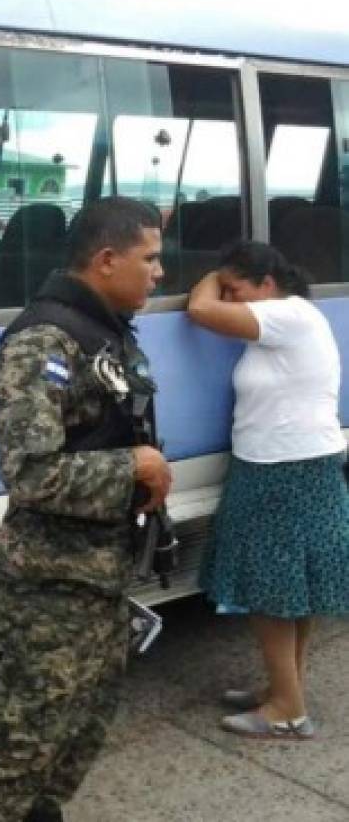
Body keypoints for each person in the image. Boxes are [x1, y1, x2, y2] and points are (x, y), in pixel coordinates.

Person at [0, 197, 171, 822]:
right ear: (107, 260)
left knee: (82, 727)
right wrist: (134, 467)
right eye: (151, 258)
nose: (160, 272)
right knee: (25, 740)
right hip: (49, 582)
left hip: (99, 573)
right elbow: (32, 473)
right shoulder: (42, 342)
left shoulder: (104, 329)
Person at [187, 241, 349, 740]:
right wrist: (233, 279)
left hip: (283, 468)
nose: (231, 299)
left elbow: (199, 308)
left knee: (269, 590)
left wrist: (216, 275)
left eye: (238, 289)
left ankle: (286, 711)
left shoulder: (286, 315)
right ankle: (287, 690)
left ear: (267, 284)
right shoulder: (287, 319)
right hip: (291, 464)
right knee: (292, 591)